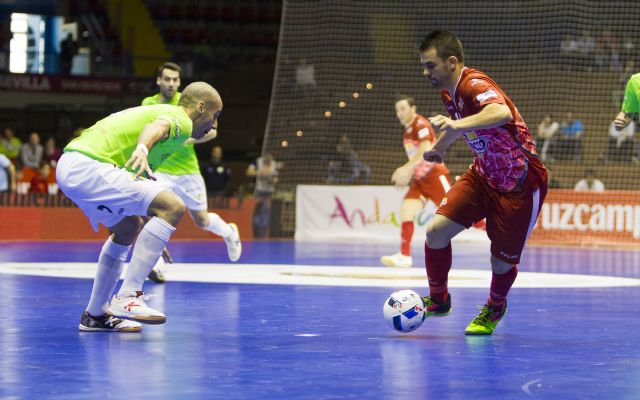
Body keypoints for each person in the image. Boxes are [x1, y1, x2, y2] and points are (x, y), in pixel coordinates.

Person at [56, 81, 223, 332]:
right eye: (215, 116)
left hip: (72, 166)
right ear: (200, 107)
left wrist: (153, 237)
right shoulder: (181, 119)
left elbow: (134, 194)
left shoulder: (170, 136)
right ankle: (128, 295)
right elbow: (155, 128)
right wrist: (143, 147)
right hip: (88, 166)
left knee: (129, 228)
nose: (214, 125)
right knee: (174, 207)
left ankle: (96, 315)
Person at [418, 30, 548, 335]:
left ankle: (495, 306)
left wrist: (456, 124)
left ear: (451, 62)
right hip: (482, 175)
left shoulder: (474, 84)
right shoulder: (448, 94)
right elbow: (455, 126)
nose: (426, 73)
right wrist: (439, 147)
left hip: (520, 183)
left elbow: (499, 112)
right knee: (436, 232)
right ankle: (439, 300)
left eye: (430, 66)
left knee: (499, 262)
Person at [141, 62, 242, 284]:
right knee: (154, 212)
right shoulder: (148, 104)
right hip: (161, 170)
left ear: (179, 82)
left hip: (188, 172)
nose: (171, 83)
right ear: (159, 80)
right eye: (167, 79)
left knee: (202, 221)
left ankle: (229, 232)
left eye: (175, 80)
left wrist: (185, 137)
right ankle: (154, 265)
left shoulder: (188, 101)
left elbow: (213, 132)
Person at [380, 96, 451, 268]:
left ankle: (498, 234)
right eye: (397, 110)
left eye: (403, 108)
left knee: (459, 211)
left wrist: (405, 169)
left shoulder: (420, 124)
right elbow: (416, 157)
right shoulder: (407, 129)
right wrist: (411, 173)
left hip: (435, 175)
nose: (400, 113)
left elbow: (425, 150)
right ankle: (404, 256)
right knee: (406, 210)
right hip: (420, 180)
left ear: (413, 108)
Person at [246, 153, 280, 238]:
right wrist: (261, 173)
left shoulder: (274, 164)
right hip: (259, 191)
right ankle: (255, 231)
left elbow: (276, 178)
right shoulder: (257, 161)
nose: (269, 161)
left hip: (270, 191)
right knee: (257, 211)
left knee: (267, 212)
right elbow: (248, 172)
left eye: (270, 160)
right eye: (267, 160)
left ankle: (266, 231)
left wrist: (273, 179)